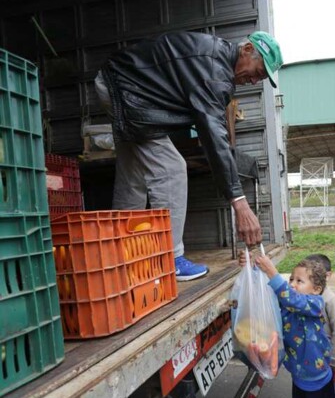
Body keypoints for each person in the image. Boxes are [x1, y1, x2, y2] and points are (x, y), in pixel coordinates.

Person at [95, 31, 283, 280]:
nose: (255, 80)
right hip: (127, 91)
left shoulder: (215, 60)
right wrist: (239, 201)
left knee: (133, 176)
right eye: (259, 72)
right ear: (247, 50)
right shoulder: (215, 72)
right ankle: (169, 258)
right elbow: (214, 135)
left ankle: (116, 255)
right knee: (171, 169)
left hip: (116, 83)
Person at [243, 253, 335, 398]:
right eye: (291, 279)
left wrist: (273, 272)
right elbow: (269, 295)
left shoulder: (315, 304)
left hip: (319, 382)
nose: (292, 284)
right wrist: (254, 269)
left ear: (316, 289)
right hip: (298, 378)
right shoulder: (286, 307)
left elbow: (293, 299)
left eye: (299, 281)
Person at [305, 254, 335, 398]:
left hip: (328, 359)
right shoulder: (307, 298)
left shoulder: (330, 300)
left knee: (331, 391)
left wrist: (334, 357)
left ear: (327, 276)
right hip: (314, 357)